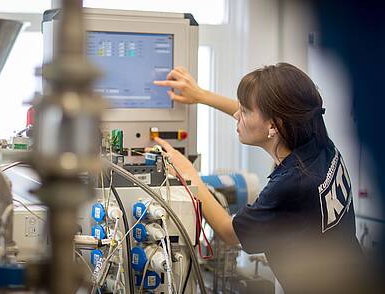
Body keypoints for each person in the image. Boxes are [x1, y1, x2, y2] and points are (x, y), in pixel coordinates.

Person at [153, 63, 366, 293]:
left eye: (243, 111)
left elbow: (228, 232)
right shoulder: (319, 143)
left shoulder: (291, 184)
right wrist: (201, 96)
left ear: (274, 125)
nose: (237, 114)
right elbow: (263, 114)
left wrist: (189, 174)